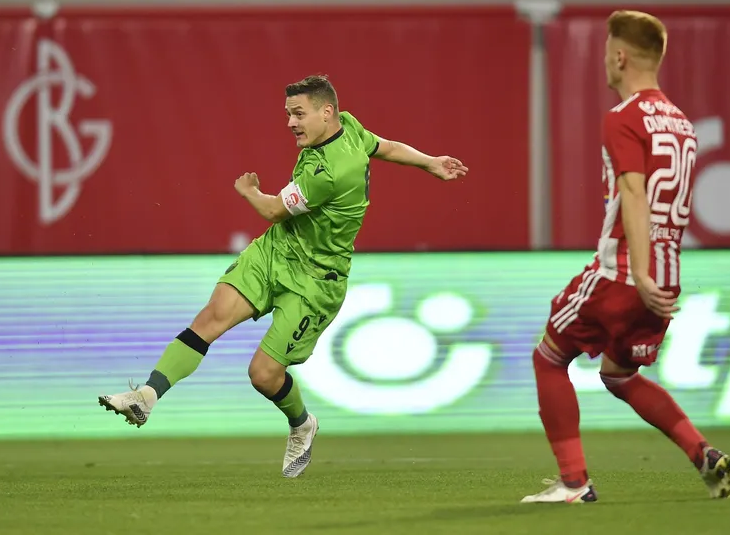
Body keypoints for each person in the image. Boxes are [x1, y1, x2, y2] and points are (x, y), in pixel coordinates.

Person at [99, 74, 468, 478]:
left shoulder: (330, 172)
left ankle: (302, 424)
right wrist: (430, 161)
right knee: (211, 317)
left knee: (263, 375)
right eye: (289, 114)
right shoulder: (349, 126)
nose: (291, 123)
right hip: (275, 253)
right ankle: (147, 395)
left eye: (299, 114)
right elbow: (386, 146)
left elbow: (274, 209)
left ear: (326, 113)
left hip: (316, 280)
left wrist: (249, 191)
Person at [521, 10, 730, 504]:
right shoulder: (682, 124)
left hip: (623, 272)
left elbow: (635, 193)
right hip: (667, 276)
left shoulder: (624, 117)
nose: (604, 62)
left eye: (606, 52)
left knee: (548, 357)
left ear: (620, 57)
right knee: (618, 375)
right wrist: (651, 273)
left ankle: (574, 483)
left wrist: (637, 271)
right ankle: (700, 451)